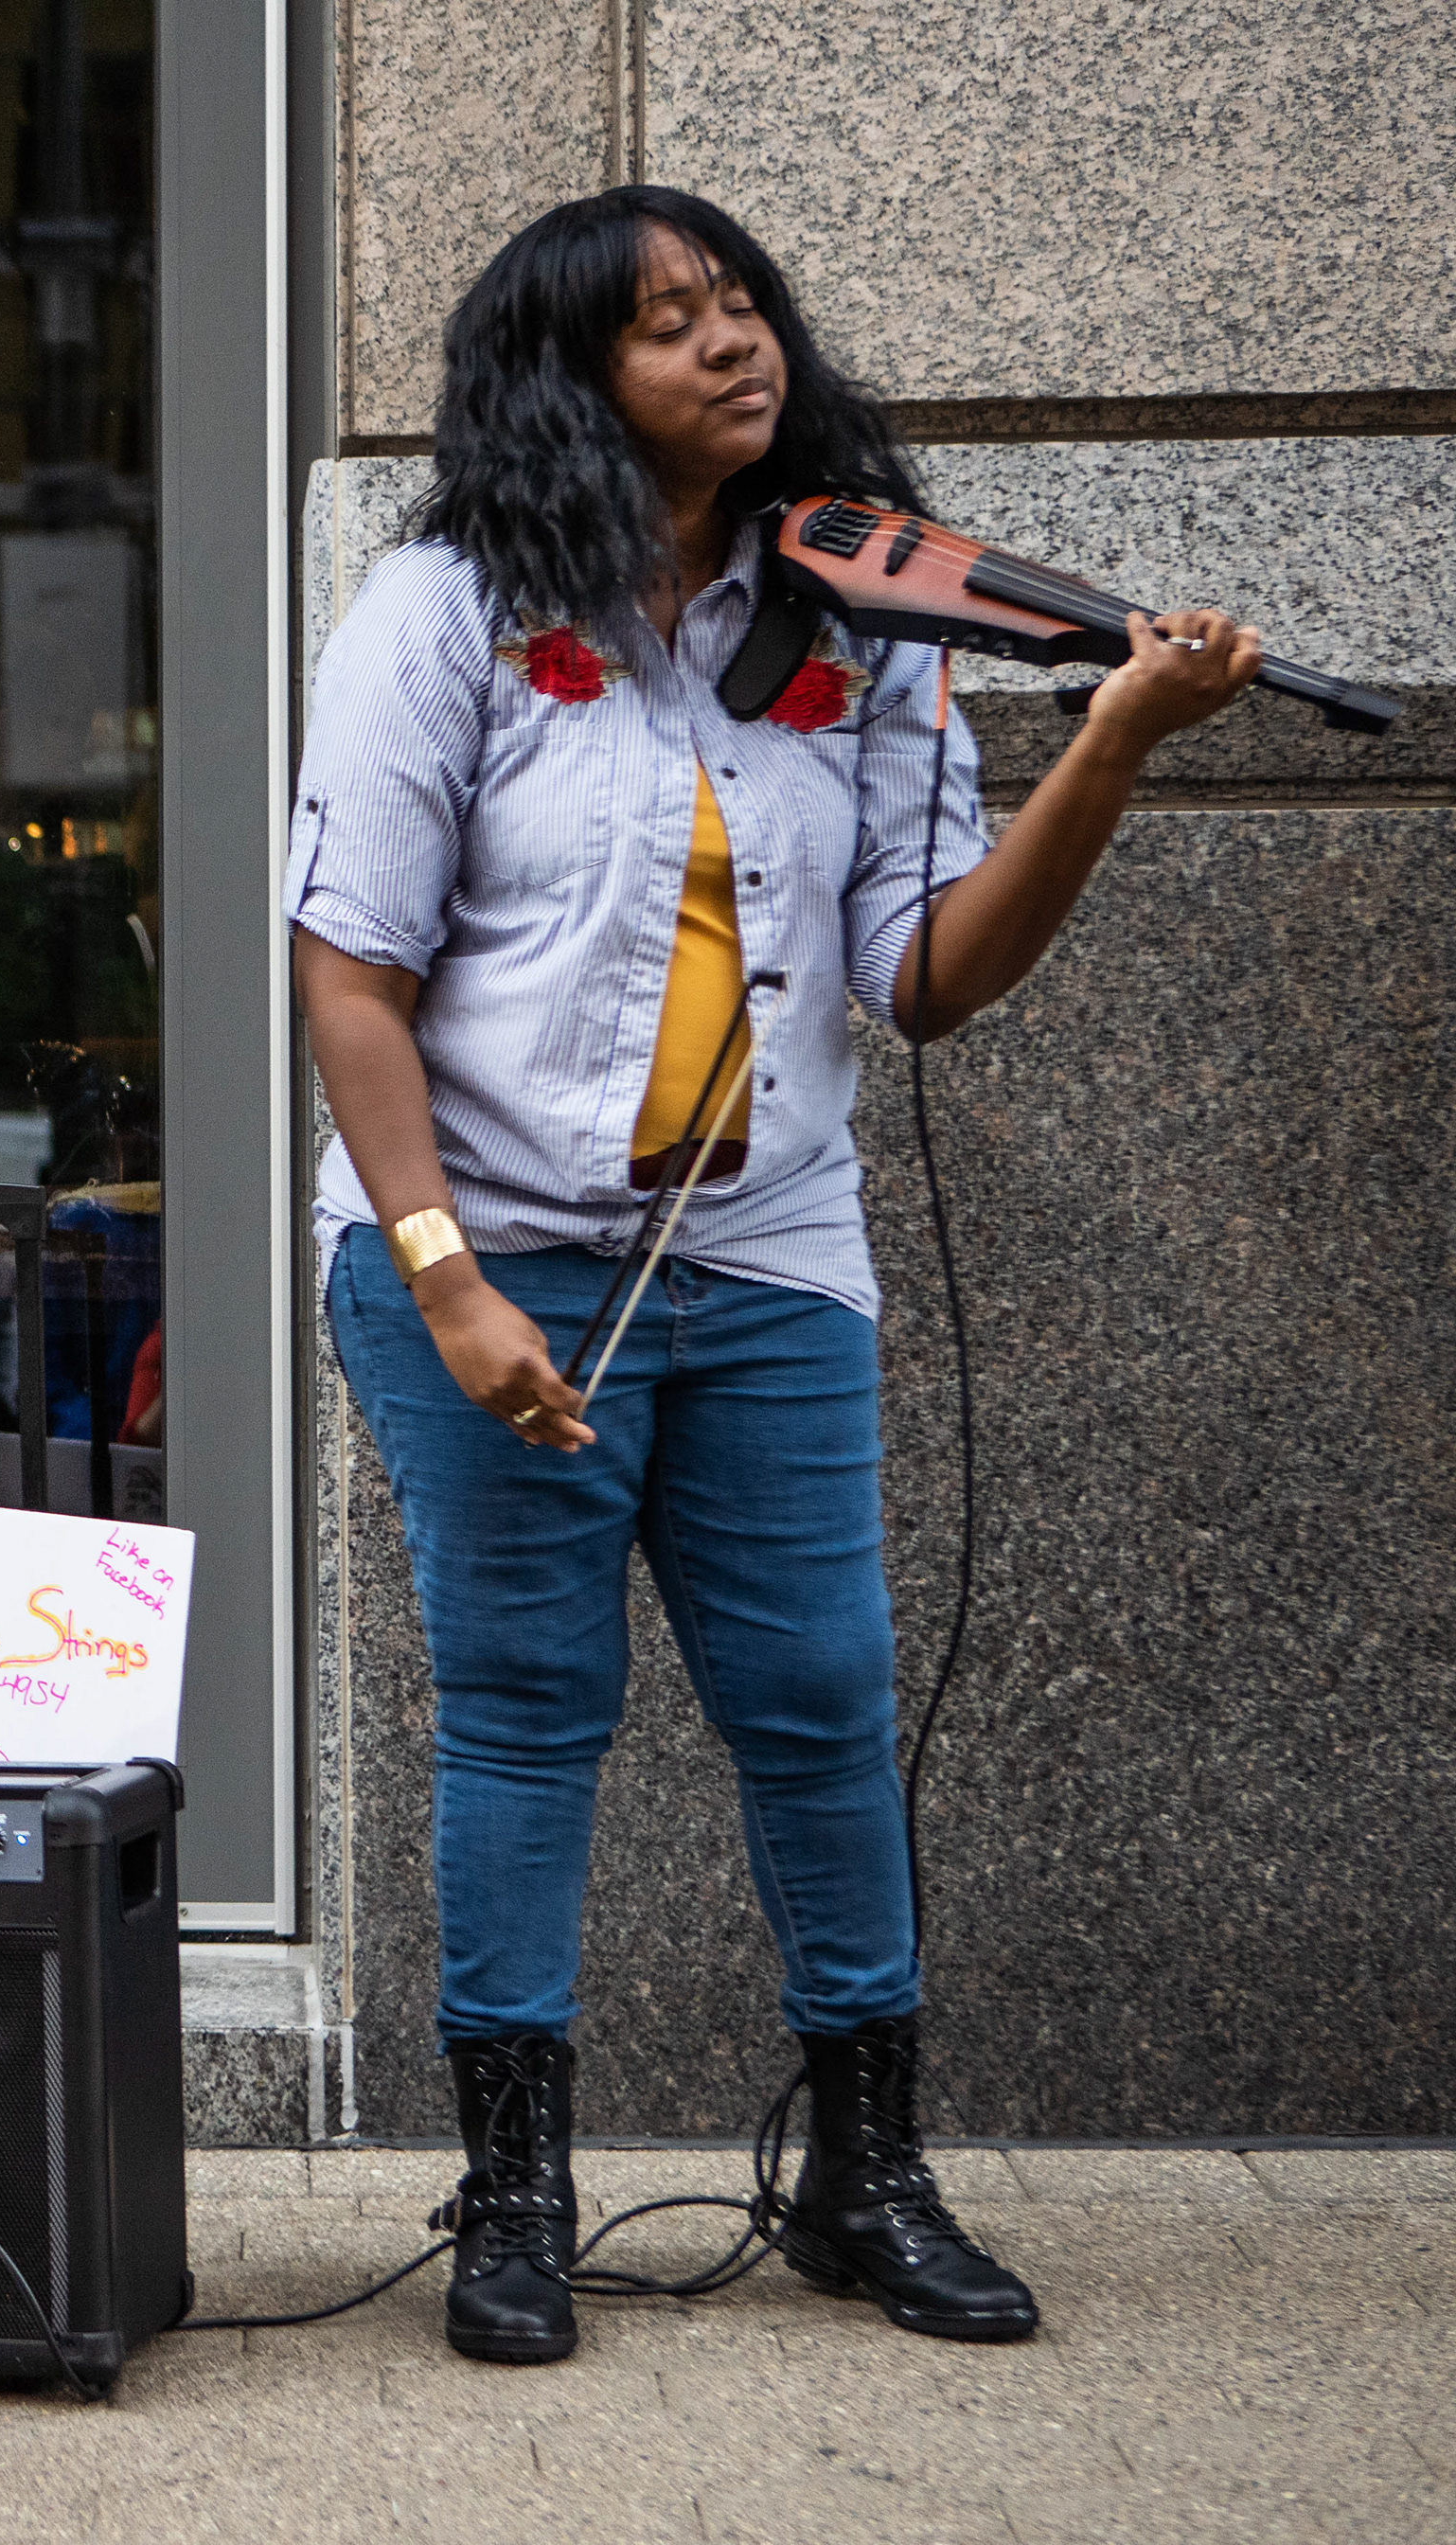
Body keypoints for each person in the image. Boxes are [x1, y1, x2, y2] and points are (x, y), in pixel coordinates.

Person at [293, 188, 1260, 2368]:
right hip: (488, 1252)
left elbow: (923, 980)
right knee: (528, 1715)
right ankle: (514, 2195)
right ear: (566, 374)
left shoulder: (861, 618)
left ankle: (864, 2178)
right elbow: (343, 974)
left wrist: (1101, 742)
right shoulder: (439, 616)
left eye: (738, 304)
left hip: (764, 1251)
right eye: (664, 321)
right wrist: (446, 1283)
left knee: (819, 1705)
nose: (729, 343)